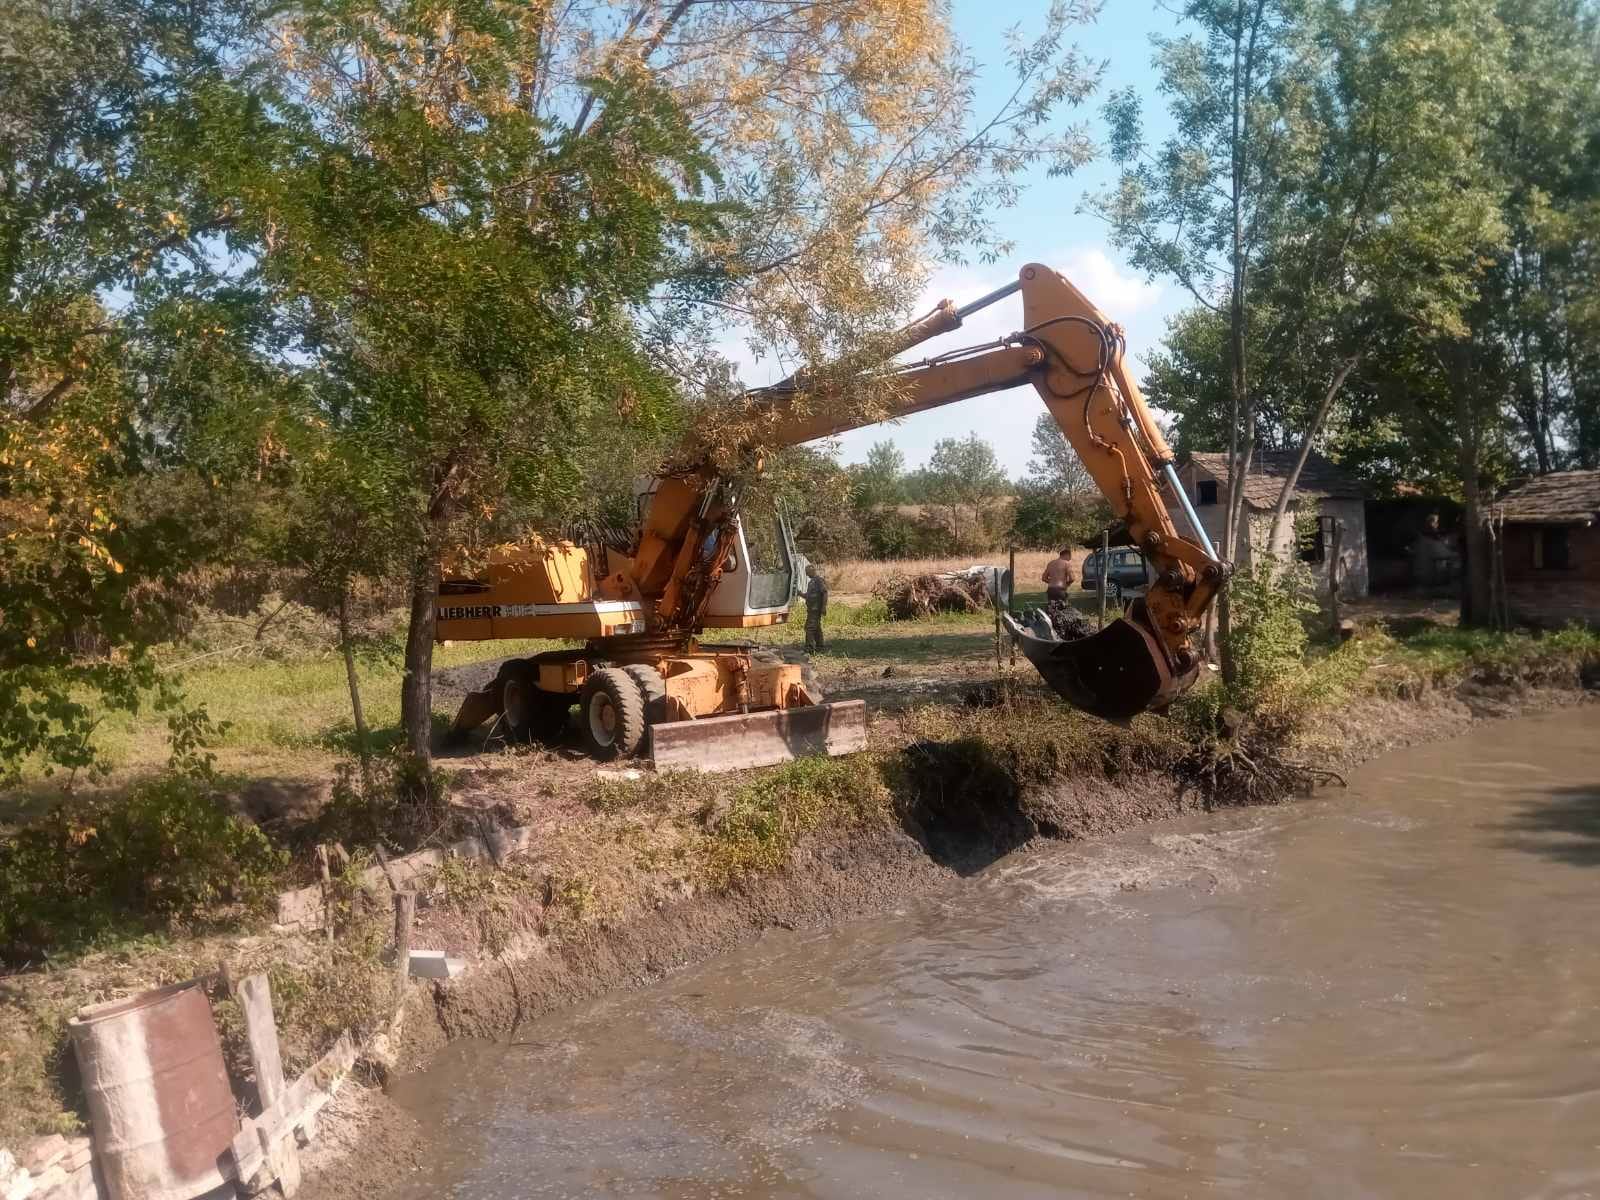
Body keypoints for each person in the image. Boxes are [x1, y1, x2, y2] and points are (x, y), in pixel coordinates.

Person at [803, 563, 829, 652]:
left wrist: (823, 607)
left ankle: (809, 648)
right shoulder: (811, 582)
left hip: (816, 609)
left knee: (809, 628)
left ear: (812, 571)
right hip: (811, 609)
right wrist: (800, 594)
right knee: (816, 627)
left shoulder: (818, 580)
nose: (806, 574)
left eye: (807, 572)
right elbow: (809, 596)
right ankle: (820, 646)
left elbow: (824, 593)